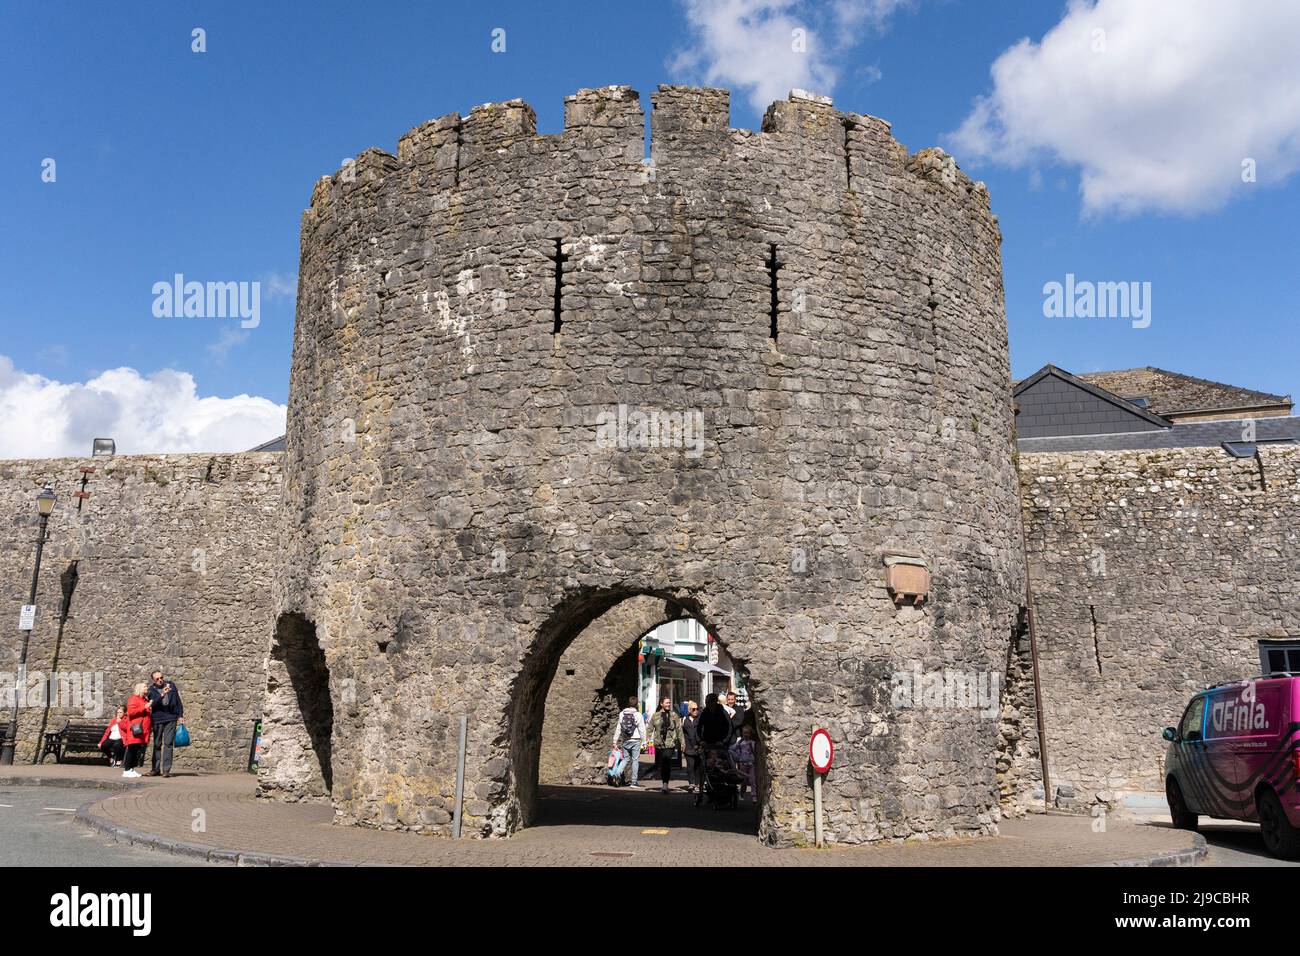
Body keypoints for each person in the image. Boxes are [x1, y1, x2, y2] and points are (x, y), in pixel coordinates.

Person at [145, 669, 185, 777]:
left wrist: (180, 715)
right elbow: (152, 705)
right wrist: (162, 694)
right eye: (157, 679)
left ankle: (166, 770)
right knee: (157, 744)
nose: (160, 680)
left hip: (171, 718)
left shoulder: (171, 685)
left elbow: (178, 701)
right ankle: (155, 769)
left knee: (168, 744)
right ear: (153, 680)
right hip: (157, 719)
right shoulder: (151, 690)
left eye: (161, 677)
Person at [646, 696, 684, 793]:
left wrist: (682, 742)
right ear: (661, 704)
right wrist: (647, 738)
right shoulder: (655, 715)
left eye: (669, 703)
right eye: (667, 703)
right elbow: (650, 728)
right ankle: (663, 781)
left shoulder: (674, 715)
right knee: (661, 764)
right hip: (659, 744)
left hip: (670, 743)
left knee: (666, 761)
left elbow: (679, 729)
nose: (669, 704)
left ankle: (665, 784)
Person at [612, 696, 646, 788]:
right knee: (635, 760)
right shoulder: (638, 715)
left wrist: (615, 741)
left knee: (626, 759)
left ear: (628, 703)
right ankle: (634, 782)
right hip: (635, 740)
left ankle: (617, 773)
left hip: (625, 740)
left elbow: (618, 728)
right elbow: (642, 729)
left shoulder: (622, 713)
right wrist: (644, 741)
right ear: (637, 705)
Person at [121, 685, 152, 778]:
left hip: (142, 729)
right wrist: (145, 707)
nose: (146, 688)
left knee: (136, 749)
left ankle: (131, 769)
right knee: (132, 748)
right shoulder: (134, 699)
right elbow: (131, 712)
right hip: (135, 728)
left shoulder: (144, 699)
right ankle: (126, 770)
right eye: (144, 687)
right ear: (139, 689)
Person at [730, 724, 757, 800]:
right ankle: (741, 794)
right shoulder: (741, 742)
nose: (746, 735)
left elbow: (754, 751)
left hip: (751, 764)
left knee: (753, 780)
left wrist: (751, 746)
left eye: (747, 733)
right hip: (743, 764)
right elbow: (733, 748)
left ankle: (754, 796)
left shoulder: (752, 742)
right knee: (743, 781)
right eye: (744, 733)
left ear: (750, 734)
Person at [681, 699, 702, 793]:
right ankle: (691, 783)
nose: (696, 711)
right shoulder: (684, 719)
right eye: (693, 709)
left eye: (697, 709)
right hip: (688, 746)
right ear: (689, 710)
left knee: (697, 766)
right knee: (690, 765)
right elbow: (681, 733)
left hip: (698, 746)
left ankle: (697, 784)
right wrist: (682, 744)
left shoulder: (700, 719)